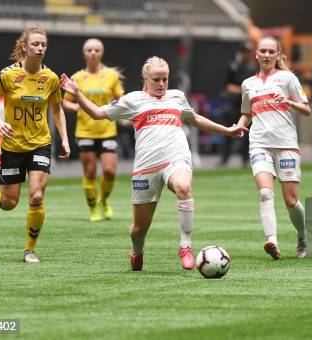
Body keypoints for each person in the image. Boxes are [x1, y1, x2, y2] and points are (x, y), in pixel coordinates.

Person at [60, 56, 246, 271]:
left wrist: (227, 130)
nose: (161, 84)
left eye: (165, 79)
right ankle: (137, 252)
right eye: (156, 79)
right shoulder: (132, 100)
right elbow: (98, 113)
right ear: (145, 78)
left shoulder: (177, 97)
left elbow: (195, 119)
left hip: (176, 159)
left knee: (184, 188)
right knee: (139, 229)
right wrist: (78, 94)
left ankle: (185, 246)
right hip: (146, 168)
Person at [0, 24, 70, 263]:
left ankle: (29, 250)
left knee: (37, 196)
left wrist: (64, 138)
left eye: (43, 44)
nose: (40, 48)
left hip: (40, 143)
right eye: (35, 44)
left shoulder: (50, 78)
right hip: (12, 145)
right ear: (24, 46)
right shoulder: (8, 75)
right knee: (9, 203)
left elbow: (57, 109)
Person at [236, 36, 311, 260]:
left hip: (286, 144)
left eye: (271, 51)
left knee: (290, 201)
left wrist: (289, 102)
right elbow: (247, 113)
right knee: (266, 193)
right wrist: (238, 127)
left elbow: (306, 109)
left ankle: (303, 236)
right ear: (256, 54)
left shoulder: (287, 78)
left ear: (278, 55)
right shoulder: (248, 84)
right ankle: (272, 240)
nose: (267, 55)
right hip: (259, 144)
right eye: (263, 51)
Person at [62, 38, 124, 222]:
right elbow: (65, 102)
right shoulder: (77, 77)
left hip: (107, 129)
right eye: (89, 50)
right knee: (90, 172)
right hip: (85, 130)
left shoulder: (112, 76)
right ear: (84, 53)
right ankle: (93, 209)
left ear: (102, 52)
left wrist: (118, 108)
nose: (93, 53)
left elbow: (121, 98)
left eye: (97, 50)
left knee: (110, 171)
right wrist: (76, 108)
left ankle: (103, 200)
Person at [220, 42, 257, 166]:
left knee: (248, 134)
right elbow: (227, 86)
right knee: (230, 131)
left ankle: (245, 160)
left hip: (248, 105)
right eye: (244, 52)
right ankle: (225, 158)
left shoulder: (253, 68)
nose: (246, 54)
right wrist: (242, 90)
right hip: (235, 104)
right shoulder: (233, 66)